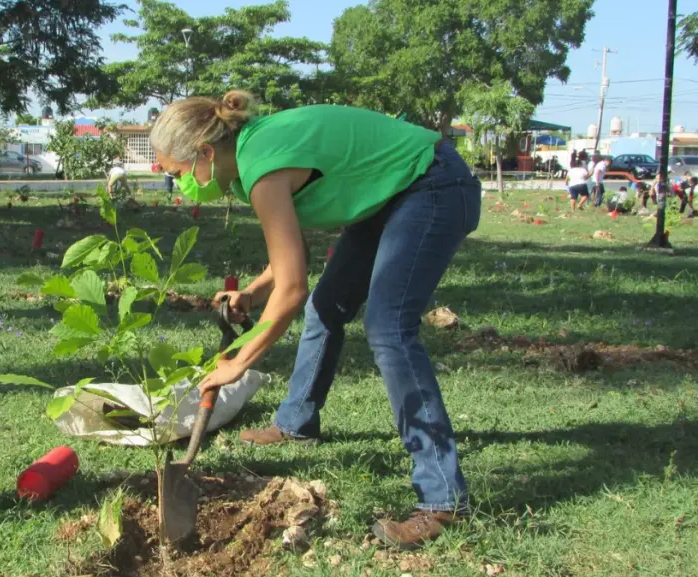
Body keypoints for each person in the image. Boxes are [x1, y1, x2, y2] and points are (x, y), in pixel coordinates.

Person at [150, 91, 481, 550]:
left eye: (179, 174)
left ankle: (443, 499)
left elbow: (292, 289)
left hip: (432, 184)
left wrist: (237, 363)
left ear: (205, 153)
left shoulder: (261, 167)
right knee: (327, 308)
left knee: (389, 329)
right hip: (391, 194)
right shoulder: (251, 161)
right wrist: (253, 290)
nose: (181, 186)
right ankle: (296, 422)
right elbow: (289, 257)